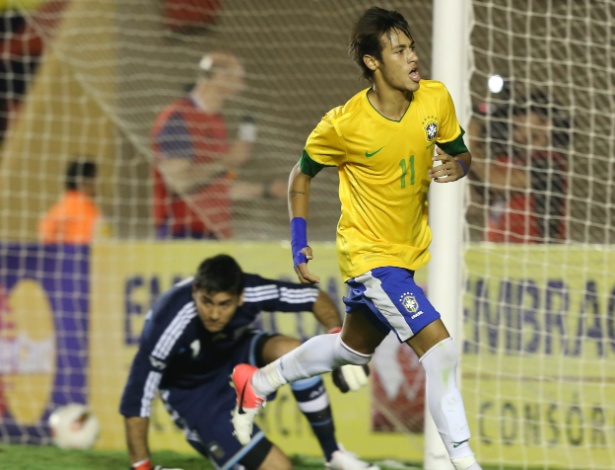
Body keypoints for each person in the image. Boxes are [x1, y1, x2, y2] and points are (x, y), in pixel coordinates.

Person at [230, 7, 482, 470]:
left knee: (350, 349)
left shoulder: (435, 98)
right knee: (441, 352)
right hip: (369, 259)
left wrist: (458, 166)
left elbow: (461, 151)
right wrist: (299, 238)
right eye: (399, 50)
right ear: (372, 62)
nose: (413, 57)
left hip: (404, 257)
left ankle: (259, 382)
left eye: (412, 47)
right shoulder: (343, 124)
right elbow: (300, 176)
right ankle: (465, 463)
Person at [120, 254, 379, 470]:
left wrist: (337, 343)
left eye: (224, 305)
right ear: (195, 291)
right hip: (195, 396)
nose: (213, 314)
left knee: (295, 352)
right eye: (206, 302)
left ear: (240, 298)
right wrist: (142, 466)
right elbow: (136, 398)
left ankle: (333, 455)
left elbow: (313, 297)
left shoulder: (251, 290)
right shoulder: (168, 324)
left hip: (235, 356)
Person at [151, 51, 286, 240]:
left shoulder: (216, 121)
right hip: (182, 234)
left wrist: (267, 190)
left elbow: (217, 188)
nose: (243, 86)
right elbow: (179, 182)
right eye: (239, 78)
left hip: (214, 232)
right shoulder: (178, 119)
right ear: (220, 77)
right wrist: (226, 161)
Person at [468, 92, 568, 243]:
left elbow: (496, 183)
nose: (516, 120)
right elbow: (477, 201)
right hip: (500, 251)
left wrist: (467, 147)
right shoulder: (511, 161)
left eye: (524, 114)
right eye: (515, 115)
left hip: (535, 254)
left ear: (546, 124)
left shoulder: (548, 164)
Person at [38, 159, 106, 244]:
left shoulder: (56, 209)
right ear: (87, 181)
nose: (99, 184)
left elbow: (44, 236)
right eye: (96, 178)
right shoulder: (87, 211)